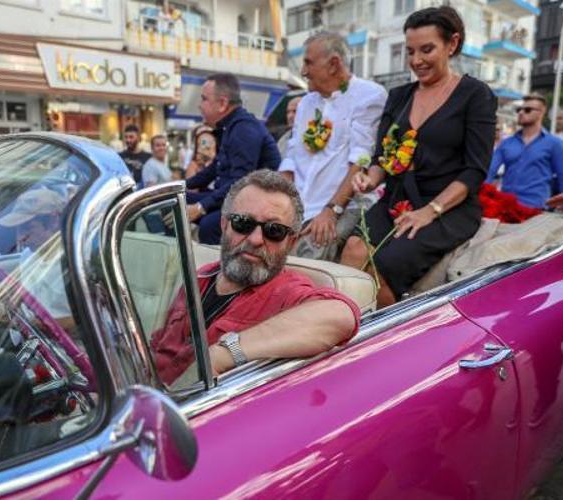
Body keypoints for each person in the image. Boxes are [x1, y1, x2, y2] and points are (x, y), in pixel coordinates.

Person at [340, 6, 497, 308]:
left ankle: (390, 333)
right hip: (397, 201)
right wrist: (368, 179)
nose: (416, 61)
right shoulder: (398, 96)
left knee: (383, 266)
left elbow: (475, 170)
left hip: (448, 208)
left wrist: (430, 211)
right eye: (410, 52)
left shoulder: (475, 95)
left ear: (452, 44)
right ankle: (349, 330)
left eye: (427, 50)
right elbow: (382, 159)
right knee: (354, 249)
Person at [150, 170, 360, 384]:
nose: (256, 239)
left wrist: (224, 354)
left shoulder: (286, 292)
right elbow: (158, 345)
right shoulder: (200, 276)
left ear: (291, 242)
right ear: (224, 225)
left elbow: (340, 316)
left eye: (274, 230)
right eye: (243, 223)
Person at [280, 31, 387, 262]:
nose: (303, 71)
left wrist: (332, 210)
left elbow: (361, 161)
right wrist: (281, 206)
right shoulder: (306, 102)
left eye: (308, 63)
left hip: (342, 205)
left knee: (313, 248)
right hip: (299, 205)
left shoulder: (369, 95)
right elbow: (291, 157)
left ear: (334, 64)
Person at [0, 189, 74, 331]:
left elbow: (85, 321)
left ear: (54, 221)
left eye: (28, 228)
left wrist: (37, 326)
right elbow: (23, 310)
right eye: (18, 229)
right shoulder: (28, 256)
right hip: (28, 338)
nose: (19, 239)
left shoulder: (73, 261)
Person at [186, 73, 282, 244]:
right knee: (172, 202)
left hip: (256, 204)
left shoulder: (243, 129)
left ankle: (220, 262)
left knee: (210, 225)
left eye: (204, 99)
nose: (199, 105)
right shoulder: (230, 127)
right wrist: (176, 187)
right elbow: (213, 170)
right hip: (232, 198)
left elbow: (240, 182)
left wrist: (201, 207)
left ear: (223, 103)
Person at [487, 95, 563, 209]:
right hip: (506, 206)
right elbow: (489, 172)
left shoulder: (554, 143)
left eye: (527, 110)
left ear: (541, 112)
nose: (521, 112)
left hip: (537, 207)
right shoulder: (506, 143)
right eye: (519, 109)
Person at [119, 124, 151, 188]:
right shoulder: (119, 157)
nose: (128, 140)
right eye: (126, 137)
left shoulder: (148, 157)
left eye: (131, 137)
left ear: (138, 138)